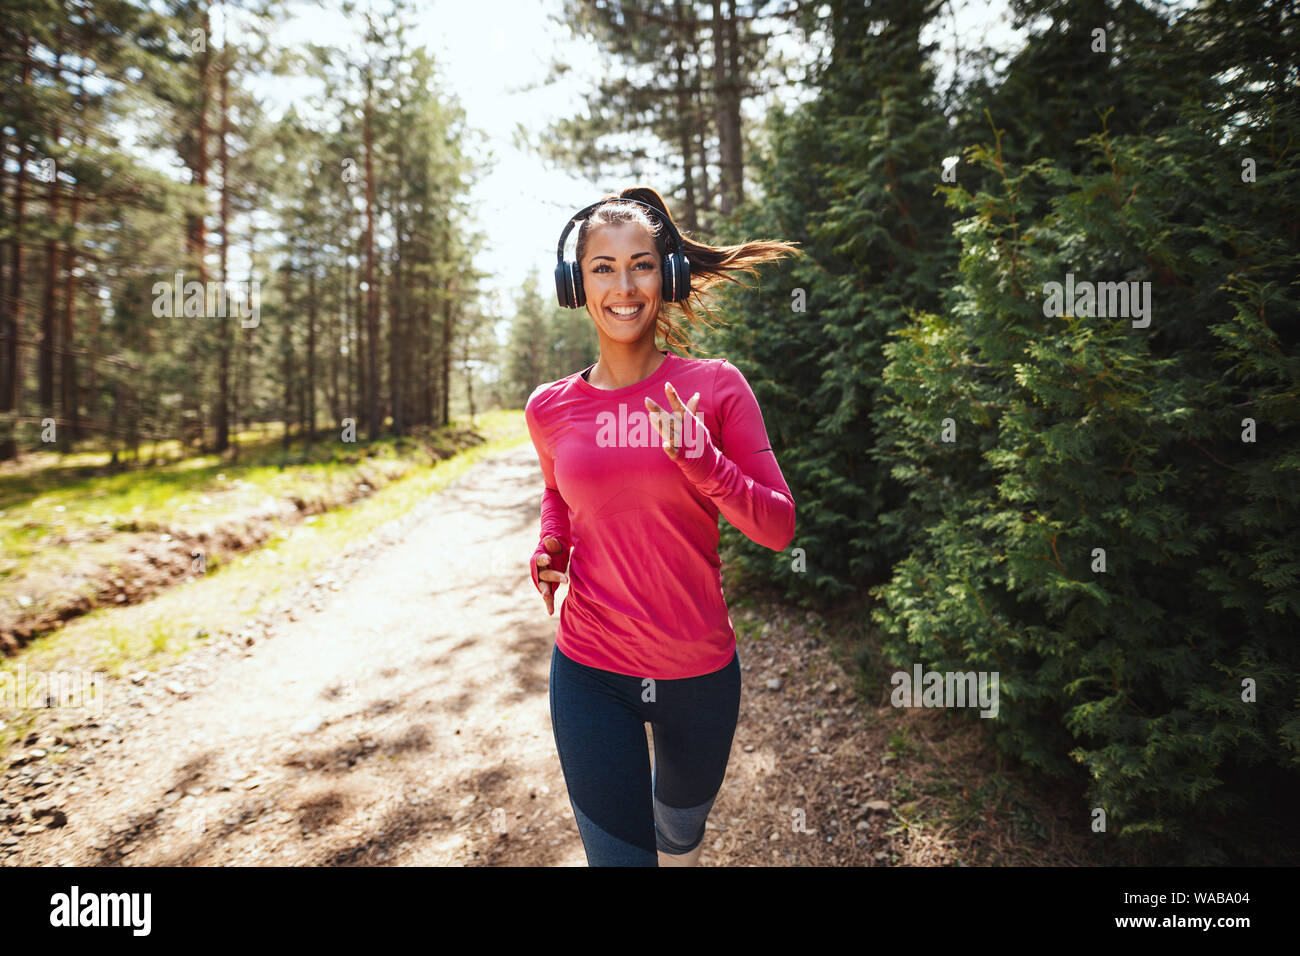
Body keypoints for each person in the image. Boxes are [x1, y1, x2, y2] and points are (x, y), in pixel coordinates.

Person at [525, 185, 800, 866]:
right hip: (589, 671)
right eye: (603, 267)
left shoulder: (717, 388)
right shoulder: (548, 408)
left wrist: (705, 463)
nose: (624, 285)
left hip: (699, 674)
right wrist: (551, 540)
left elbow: (778, 528)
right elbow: (557, 491)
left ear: (668, 276)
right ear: (575, 285)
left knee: (678, 837)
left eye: (642, 264)